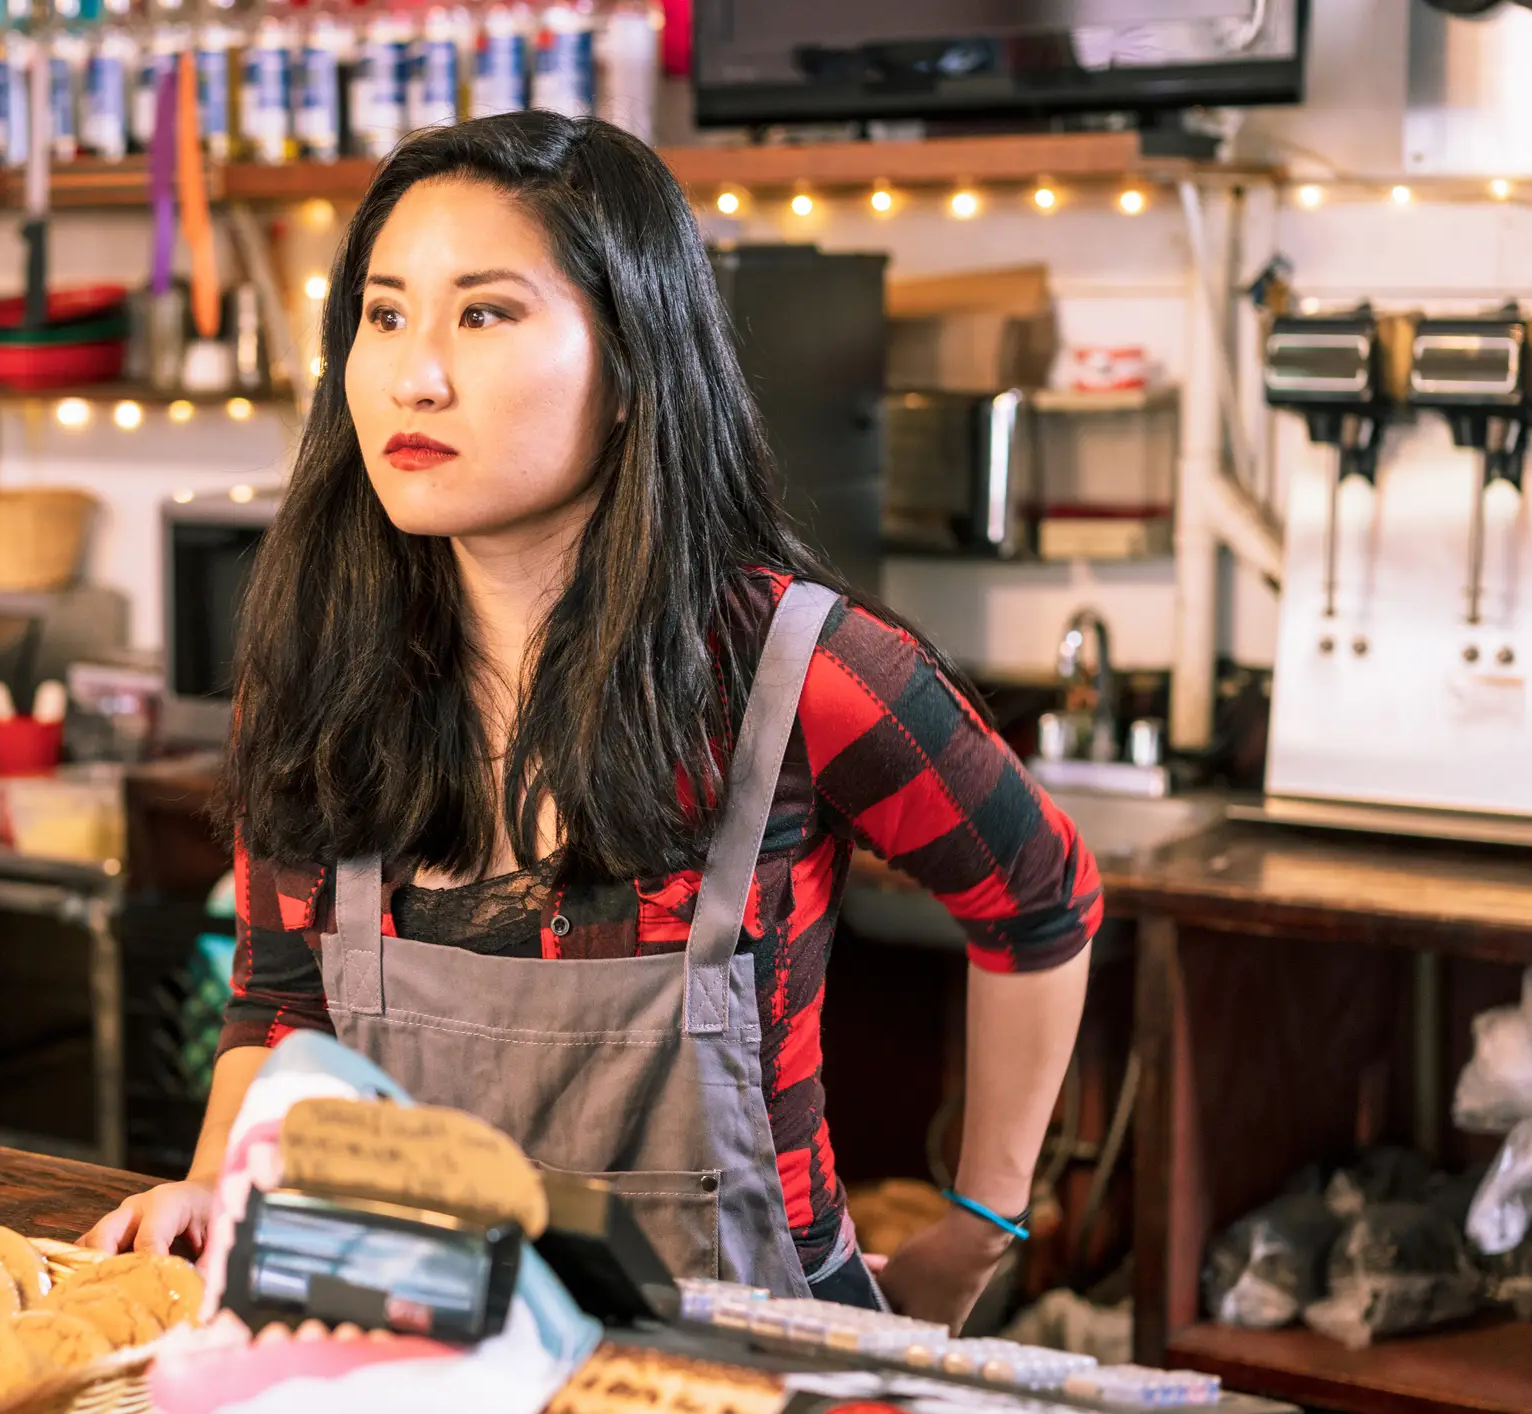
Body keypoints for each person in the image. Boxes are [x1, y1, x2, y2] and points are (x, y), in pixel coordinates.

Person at [86, 111, 1101, 1331]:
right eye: (383, 315)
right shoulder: (318, 672)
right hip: (427, 1346)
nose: (413, 376)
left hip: (742, 1357)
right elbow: (285, 995)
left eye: (482, 314)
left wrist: (981, 1226)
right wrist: (213, 1180)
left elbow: (1039, 894)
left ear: (629, 367)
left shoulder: (800, 669)